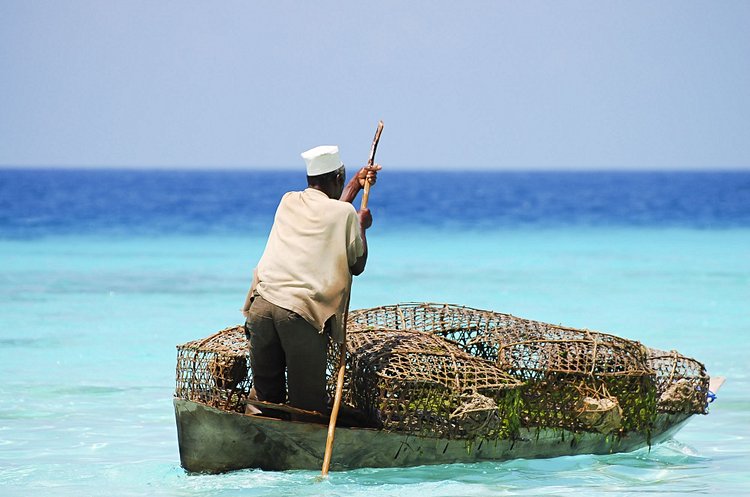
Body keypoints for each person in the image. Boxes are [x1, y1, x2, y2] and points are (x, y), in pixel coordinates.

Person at [241, 145, 380, 417]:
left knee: (265, 400)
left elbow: (329, 213)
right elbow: (357, 264)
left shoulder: (288, 200)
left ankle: (257, 441)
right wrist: (362, 227)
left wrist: (354, 183)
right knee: (306, 408)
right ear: (335, 179)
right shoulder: (347, 215)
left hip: (261, 306)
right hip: (298, 314)